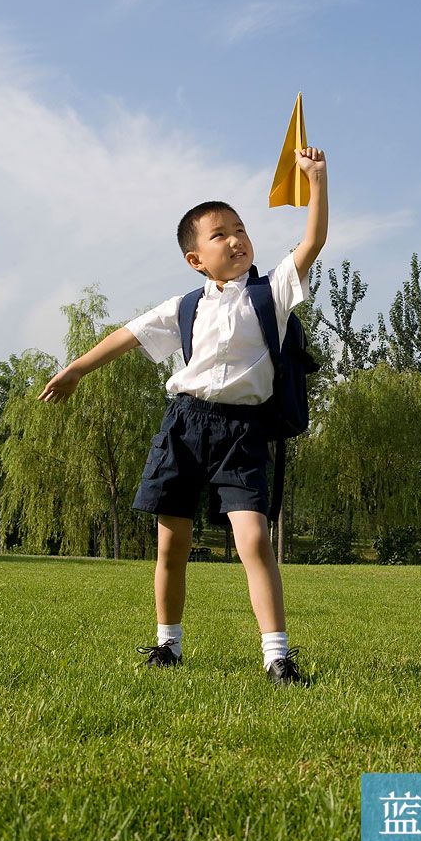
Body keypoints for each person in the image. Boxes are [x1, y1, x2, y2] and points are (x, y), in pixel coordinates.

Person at [38, 145, 328, 686]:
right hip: (184, 426)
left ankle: (277, 657)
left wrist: (315, 181)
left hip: (242, 432)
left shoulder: (274, 293)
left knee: (254, 540)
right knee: (170, 544)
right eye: (220, 235)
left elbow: (312, 242)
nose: (236, 239)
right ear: (196, 258)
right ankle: (167, 645)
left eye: (240, 229)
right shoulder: (185, 306)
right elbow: (127, 335)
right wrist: (77, 369)